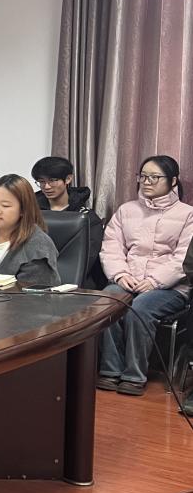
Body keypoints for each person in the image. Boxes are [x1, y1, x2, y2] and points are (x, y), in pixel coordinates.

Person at [97, 155, 193, 396]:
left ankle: (134, 375)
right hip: (128, 278)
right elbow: (111, 247)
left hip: (171, 287)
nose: (147, 182)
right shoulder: (126, 210)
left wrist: (154, 281)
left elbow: (183, 258)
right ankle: (110, 370)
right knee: (107, 302)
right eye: (143, 176)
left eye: (154, 177)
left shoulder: (187, 214)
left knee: (140, 308)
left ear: (173, 181)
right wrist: (120, 274)